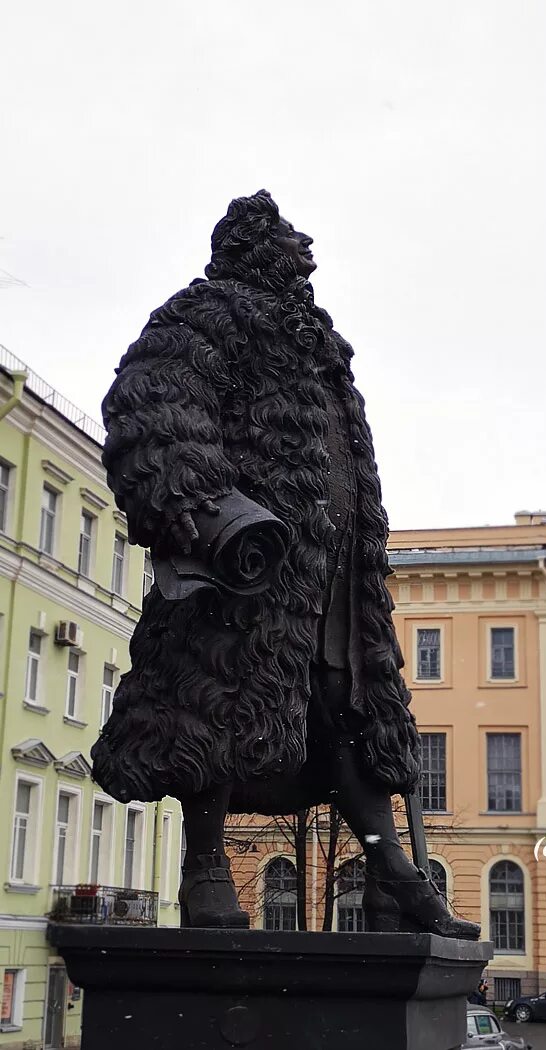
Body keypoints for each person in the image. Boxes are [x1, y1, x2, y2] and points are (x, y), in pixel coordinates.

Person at [91, 189, 480, 940]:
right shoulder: (207, 316)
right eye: (290, 241)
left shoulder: (321, 350)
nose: (305, 252)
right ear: (254, 248)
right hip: (248, 564)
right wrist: (204, 507)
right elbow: (154, 401)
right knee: (217, 694)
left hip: (334, 569)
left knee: (352, 703)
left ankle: (390, 870)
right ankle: (204, 868)